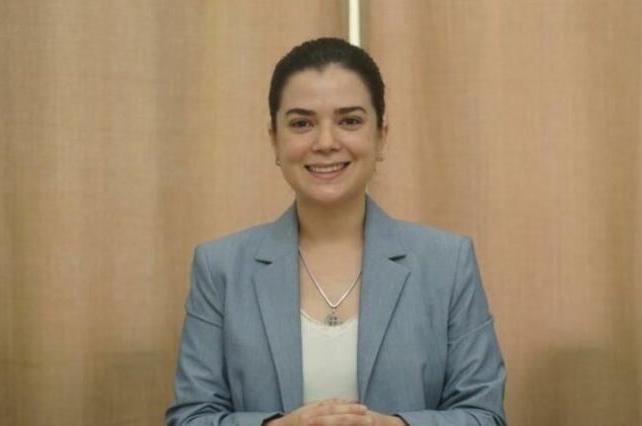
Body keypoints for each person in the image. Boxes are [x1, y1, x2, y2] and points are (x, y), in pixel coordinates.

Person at [166, 37, 506, 426]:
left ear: (382, 135)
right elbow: (191, 418)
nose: (326, 142)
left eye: (349, 121)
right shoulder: (220, 268)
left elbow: (485, 416)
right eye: (302, 124)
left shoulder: (448, 263)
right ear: (274, 140)